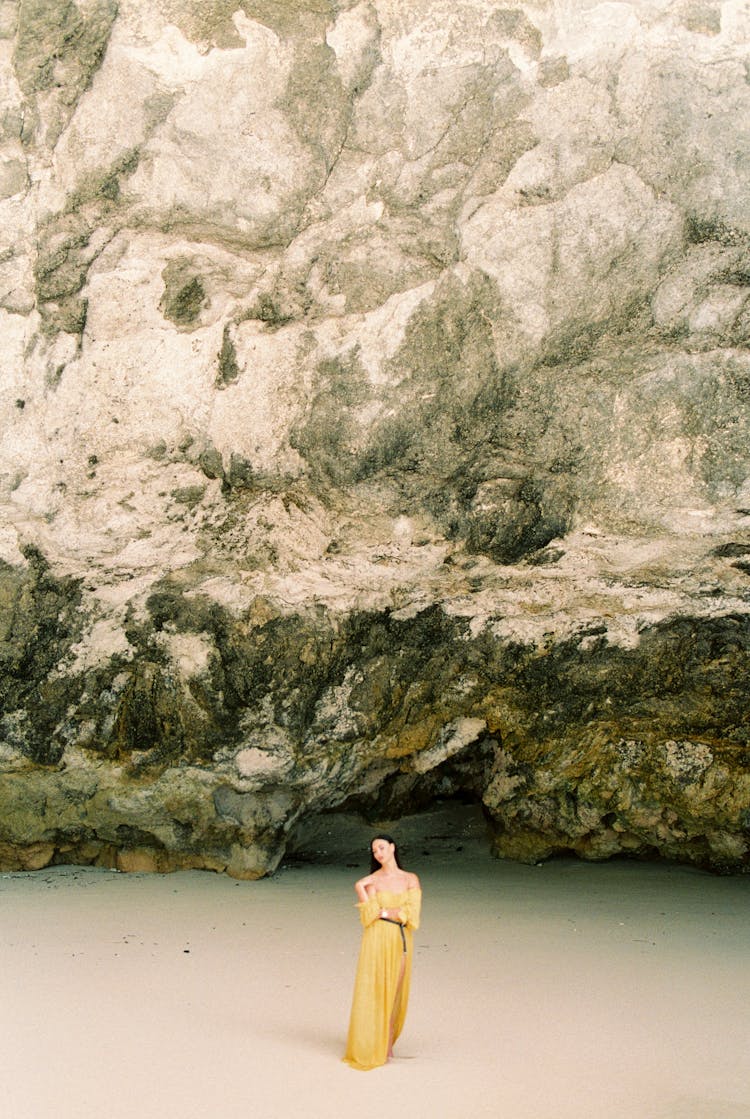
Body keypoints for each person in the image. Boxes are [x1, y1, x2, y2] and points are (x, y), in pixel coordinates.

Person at [343, 834, 422, 1070]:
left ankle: (387, 1044)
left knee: (395, 991)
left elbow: (412, 916)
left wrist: (385, 911)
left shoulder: (410, 879)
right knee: (375, 991)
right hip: (375, 939)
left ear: (392, 848)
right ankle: (374, 1046)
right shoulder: (371, 881)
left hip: (399, 938)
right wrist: (360, 889)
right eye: (374, 850)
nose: (378, 853)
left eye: (381, 847)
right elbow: (368, 917)